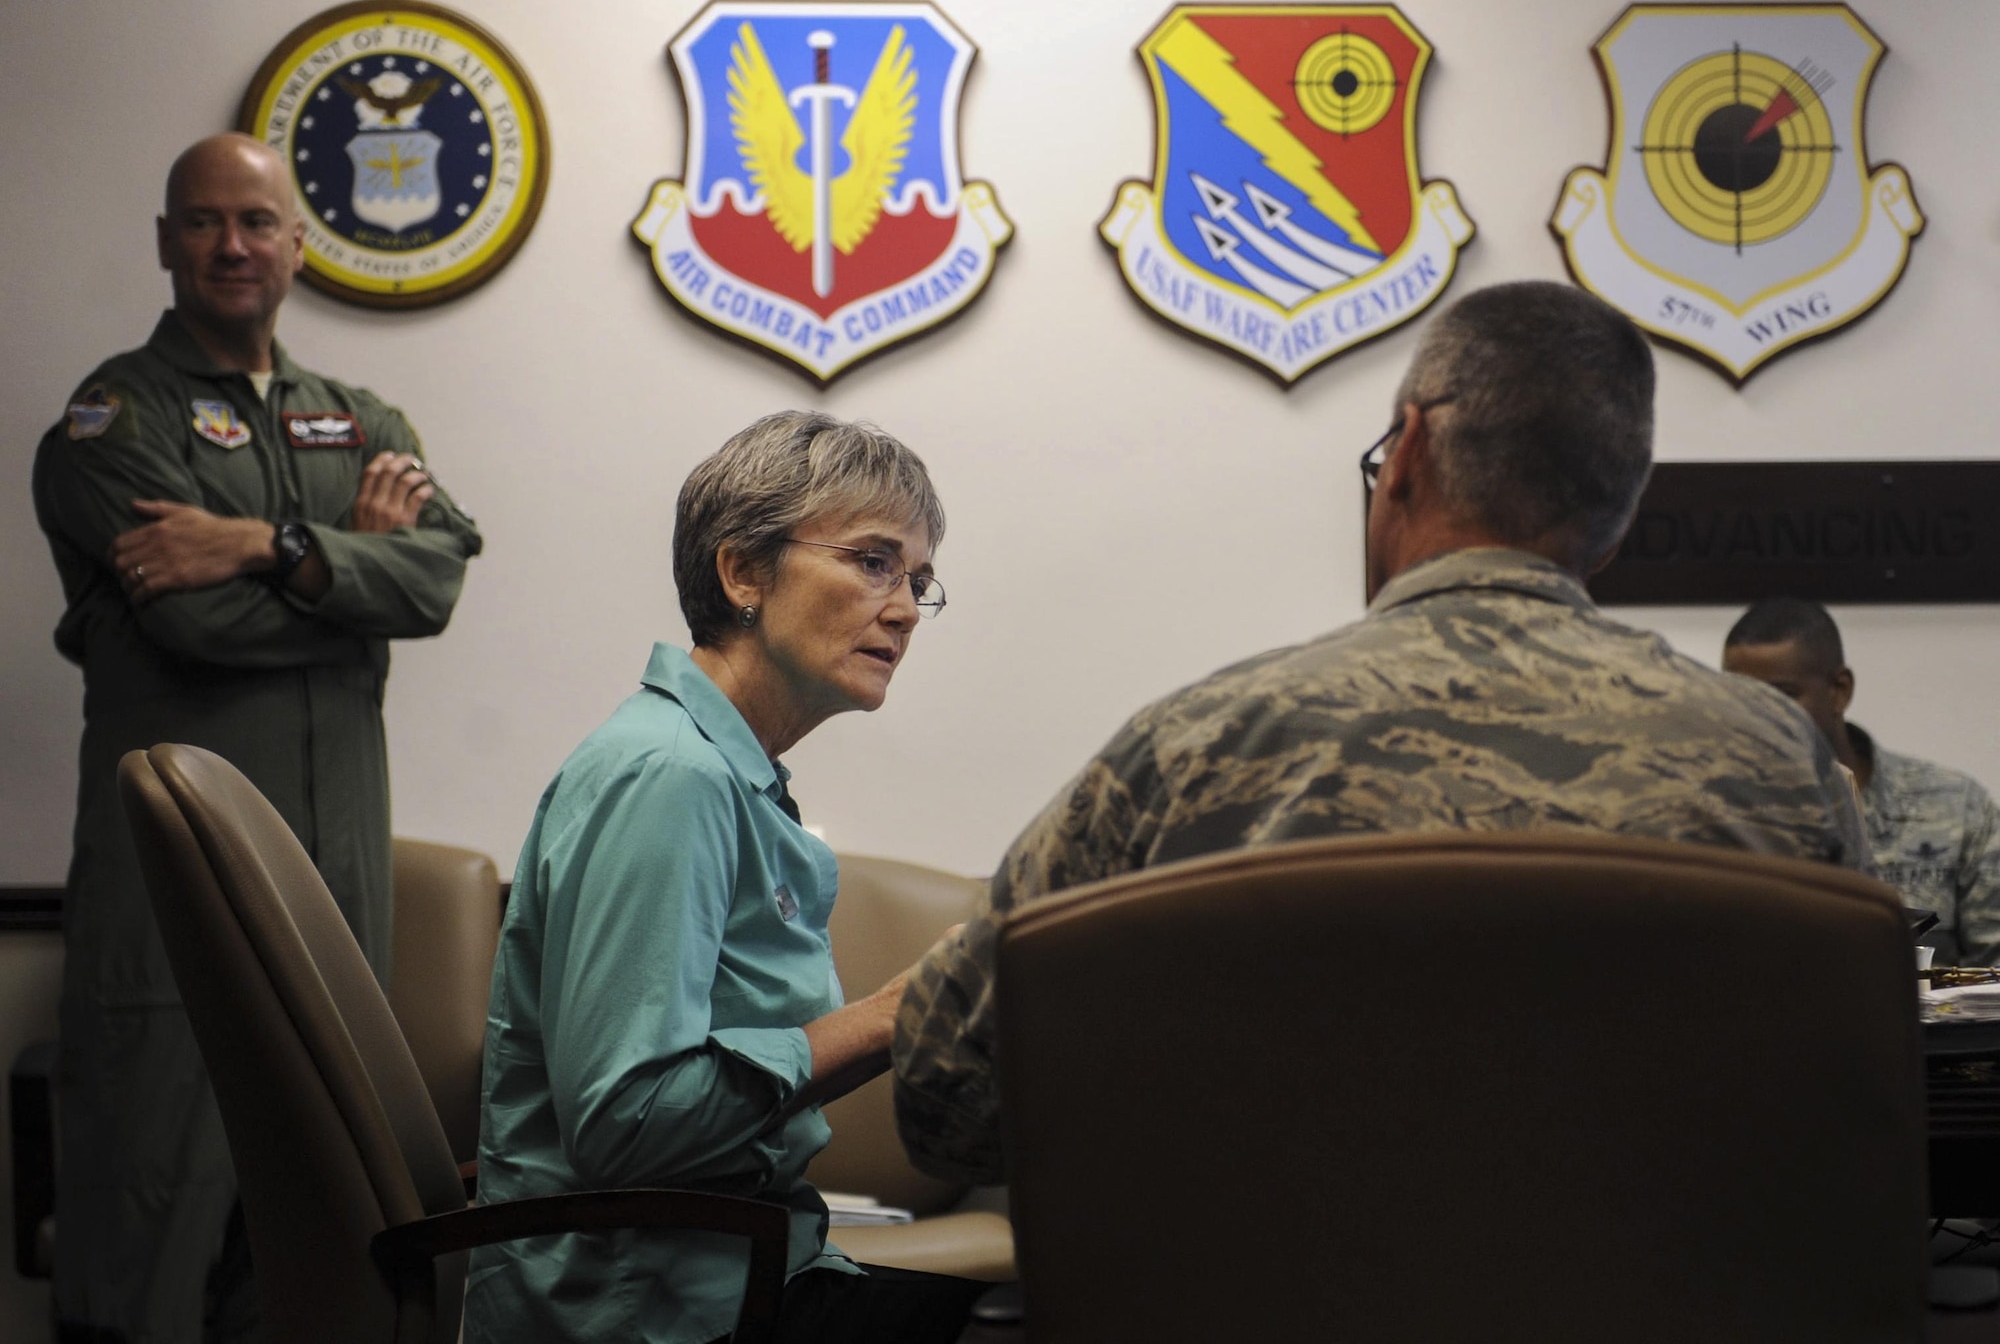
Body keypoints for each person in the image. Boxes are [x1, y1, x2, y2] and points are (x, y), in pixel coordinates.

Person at [892, 280, 1874, 1182]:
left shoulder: (1193, 749)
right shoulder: (1784, 763)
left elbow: (944, 1094)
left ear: (1402, 455)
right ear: (1613, 528)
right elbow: (1857, 1093)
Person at [31, 132, 483, 1343]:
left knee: (319, 1230)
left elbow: (436, 580)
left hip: (333, 890)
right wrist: (351, 573)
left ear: (297, 240)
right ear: (166, 241)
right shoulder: (111, 419)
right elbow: (192, 619)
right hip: (165, 900)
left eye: (257, 220)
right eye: (203, 220)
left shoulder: (361, 415)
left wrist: (260, 542)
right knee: (150, 1230)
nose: (232, 244)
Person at [466, 411, 986, 1344]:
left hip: (731, 1272)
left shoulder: (720, 767)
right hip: (652, 1312)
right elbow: (625, 1126)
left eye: (918, 579)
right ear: (744, 571)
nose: (906, 606)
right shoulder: (669, 775)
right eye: (873, 561)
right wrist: (886, 1018)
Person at [1723, 597, 2000, 965]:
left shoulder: (1955, 807)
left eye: (1781, 697)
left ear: (1839, 690)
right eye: (1739, 698)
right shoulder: (1718, 814)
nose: (1756, 718)